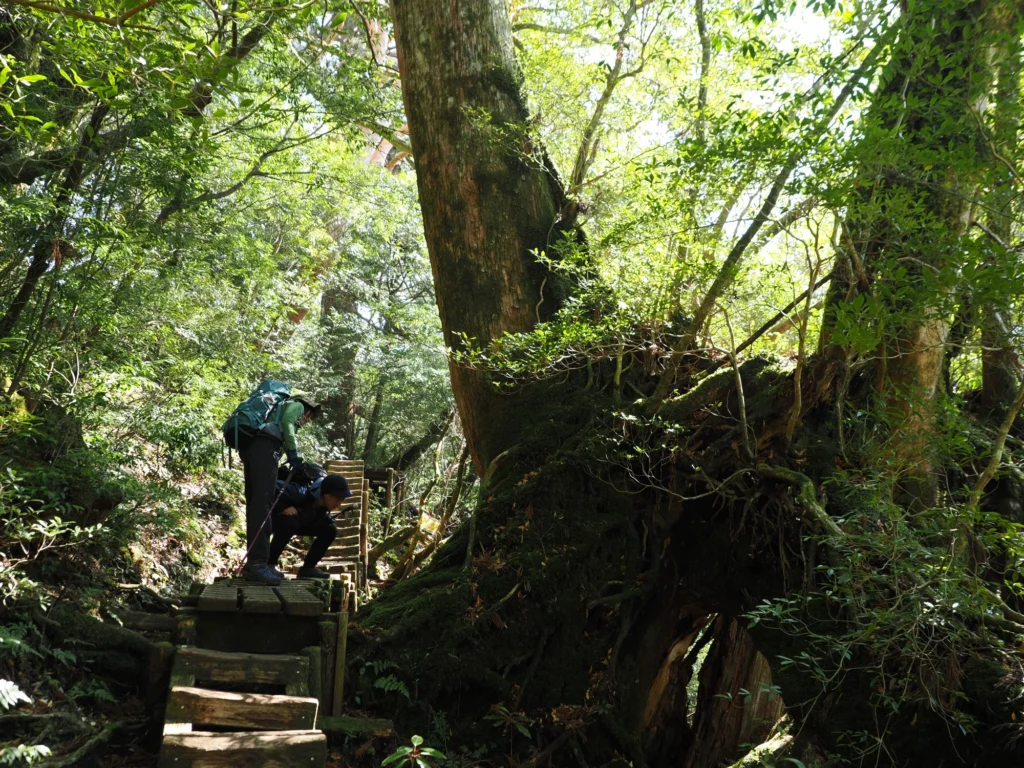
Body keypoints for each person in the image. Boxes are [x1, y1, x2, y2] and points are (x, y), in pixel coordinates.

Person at [230, 390, 322, 585]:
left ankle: (254, 564)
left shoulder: (273, 413)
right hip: (265, 448)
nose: (306, 420)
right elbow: (288, 424)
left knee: (257, 504)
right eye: (309, 416)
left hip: (253, 449)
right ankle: (258, 565)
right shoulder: (296, 405)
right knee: (263, 505)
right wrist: (293, 454)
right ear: (307, 408)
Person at [267, 473, 353, 579]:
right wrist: (283, 507)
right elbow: (268, 489)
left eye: (342, 499)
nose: (340, 503)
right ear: (327, 495)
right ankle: (269, 564)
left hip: (302, 520)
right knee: (290, 523)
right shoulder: (299, 492)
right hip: (276, 519)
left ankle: (308, 568)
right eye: (338, 498)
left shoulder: (323, 504)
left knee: (330, 529)